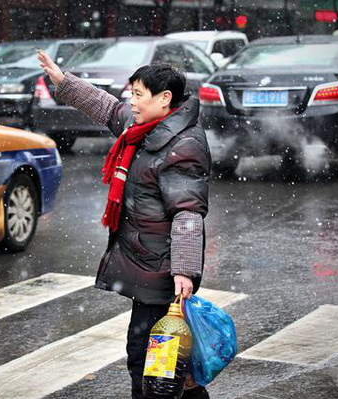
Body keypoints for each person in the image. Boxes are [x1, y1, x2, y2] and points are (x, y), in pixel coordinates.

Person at [38, 51, 211, 399]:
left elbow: (188, 214)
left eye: (138, 95)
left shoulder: (183, 145)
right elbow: (104, 106)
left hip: (163, 269)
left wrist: (184, 272)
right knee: (163, 360)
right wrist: (63, 81)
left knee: (150, 360)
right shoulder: (142, 128)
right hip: (147, 262)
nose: (130, 101)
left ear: (165, 99)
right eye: (131, 93)